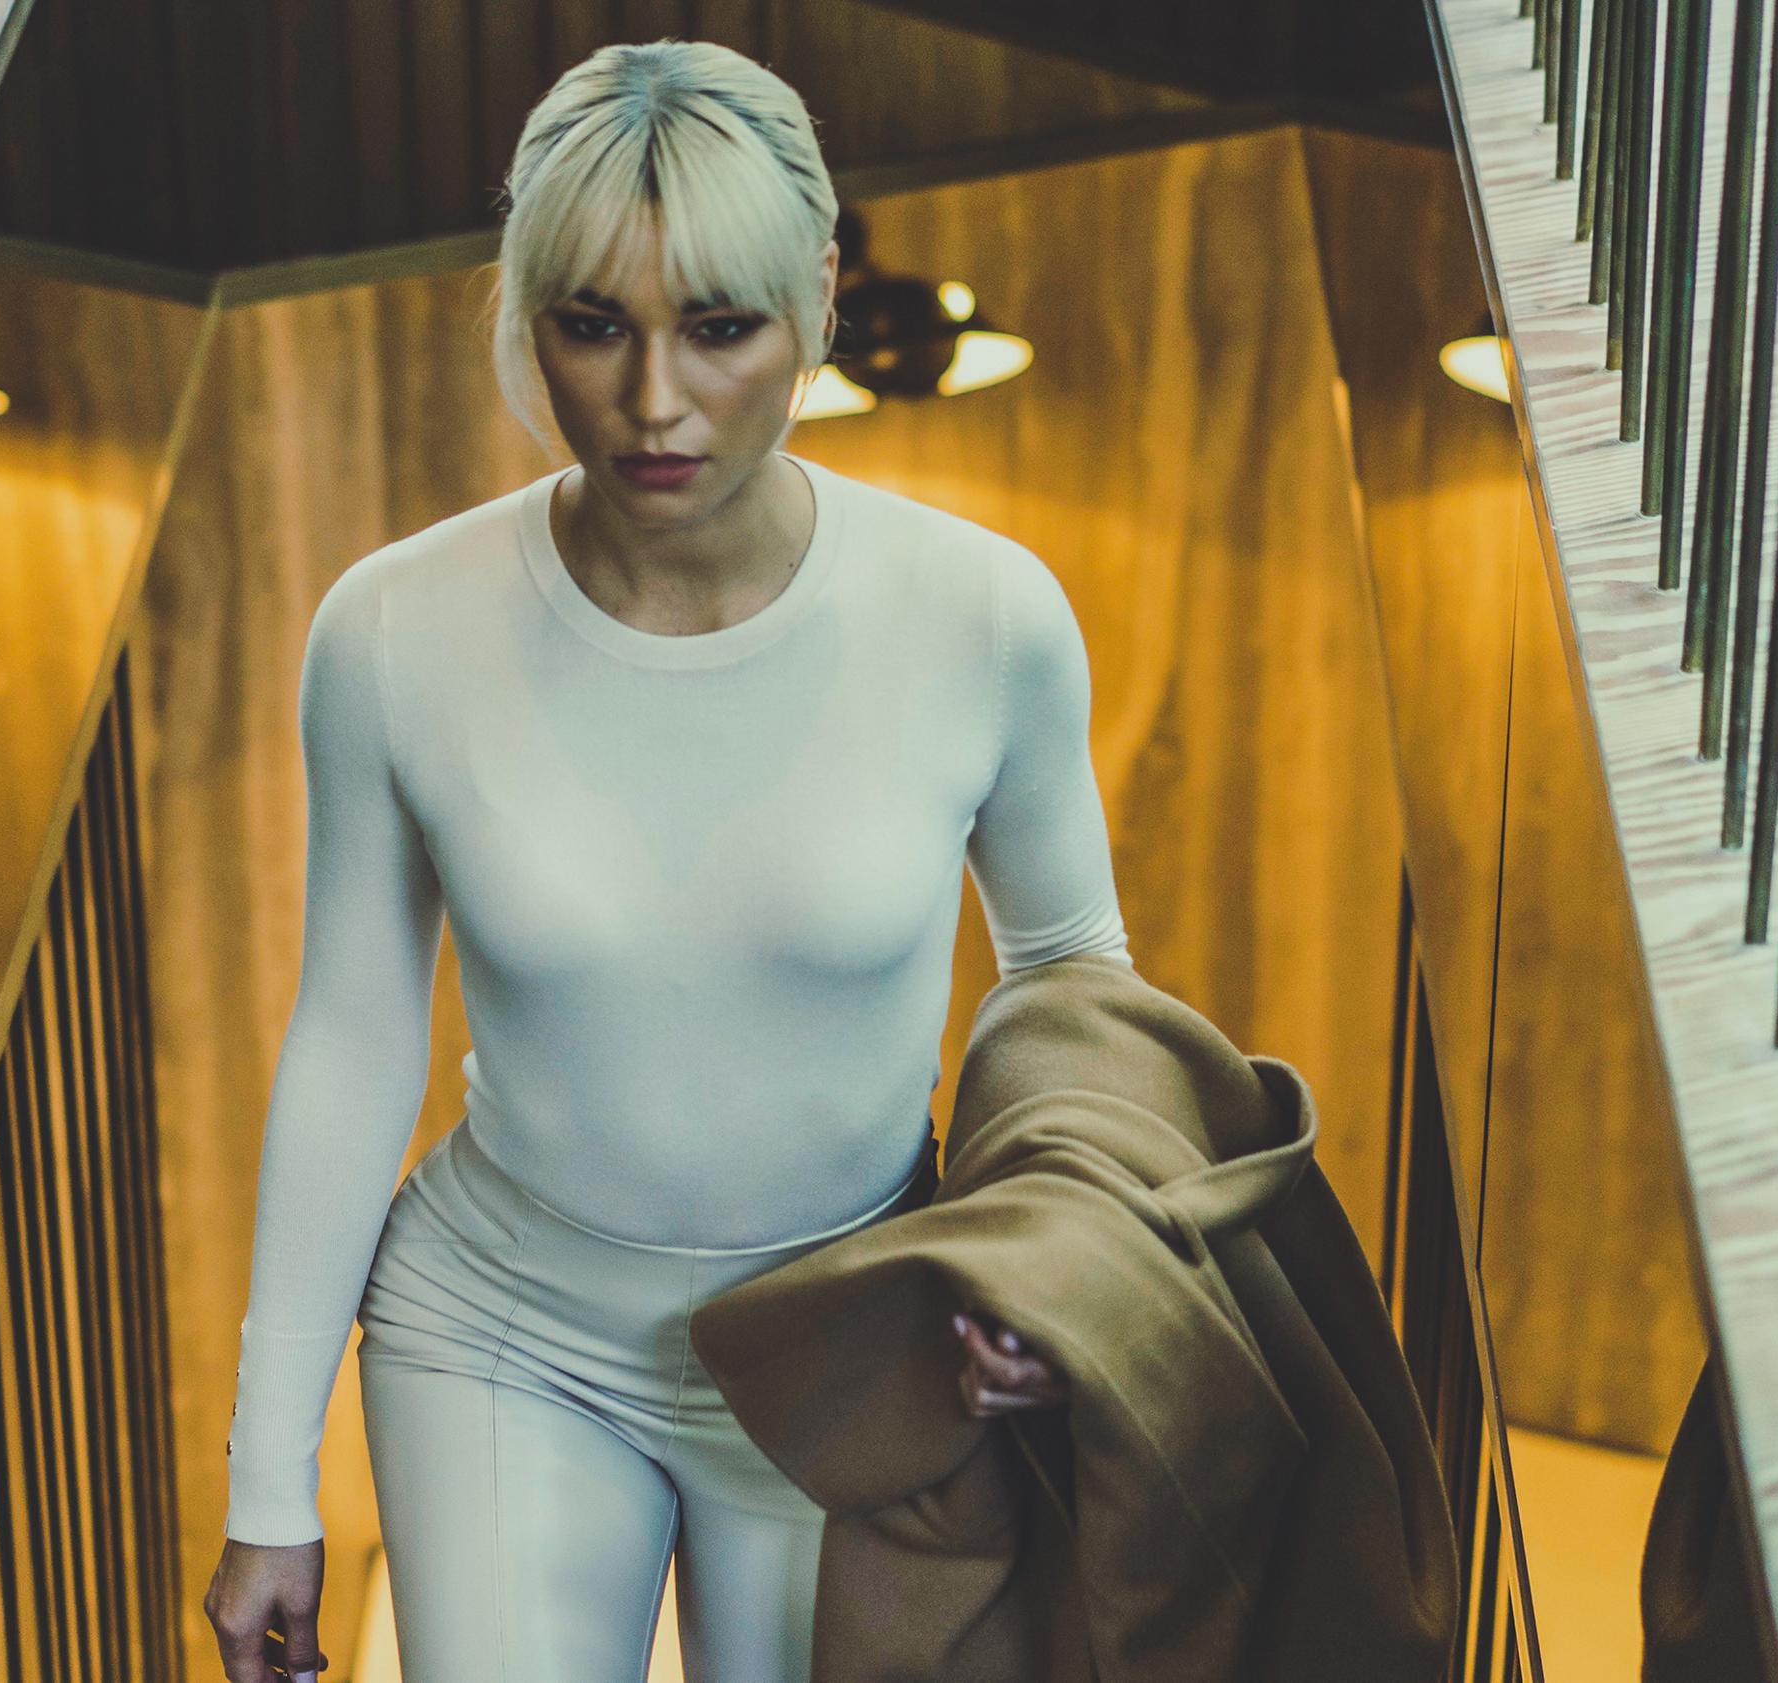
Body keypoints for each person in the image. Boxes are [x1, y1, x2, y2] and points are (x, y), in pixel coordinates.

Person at [198, 39, 1131, 1683]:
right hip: (501, 1331)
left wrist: (1049, 1263)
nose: (652, 400)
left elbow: (1073, 985)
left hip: (849, 1342)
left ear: (820, 301)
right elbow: (351, 1036)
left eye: (718, 327)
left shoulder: (984, 615)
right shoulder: (393, 631)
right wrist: (270, 1477)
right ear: (523, 311)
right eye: (591, 325)